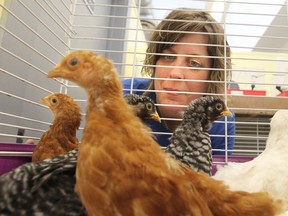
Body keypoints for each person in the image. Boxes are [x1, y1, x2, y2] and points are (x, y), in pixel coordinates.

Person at [122, 8, 235, 155]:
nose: (175, 73)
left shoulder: (220, 120)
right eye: (168, 57)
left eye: (194, 63)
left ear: (211, 76)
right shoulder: (123, 97)